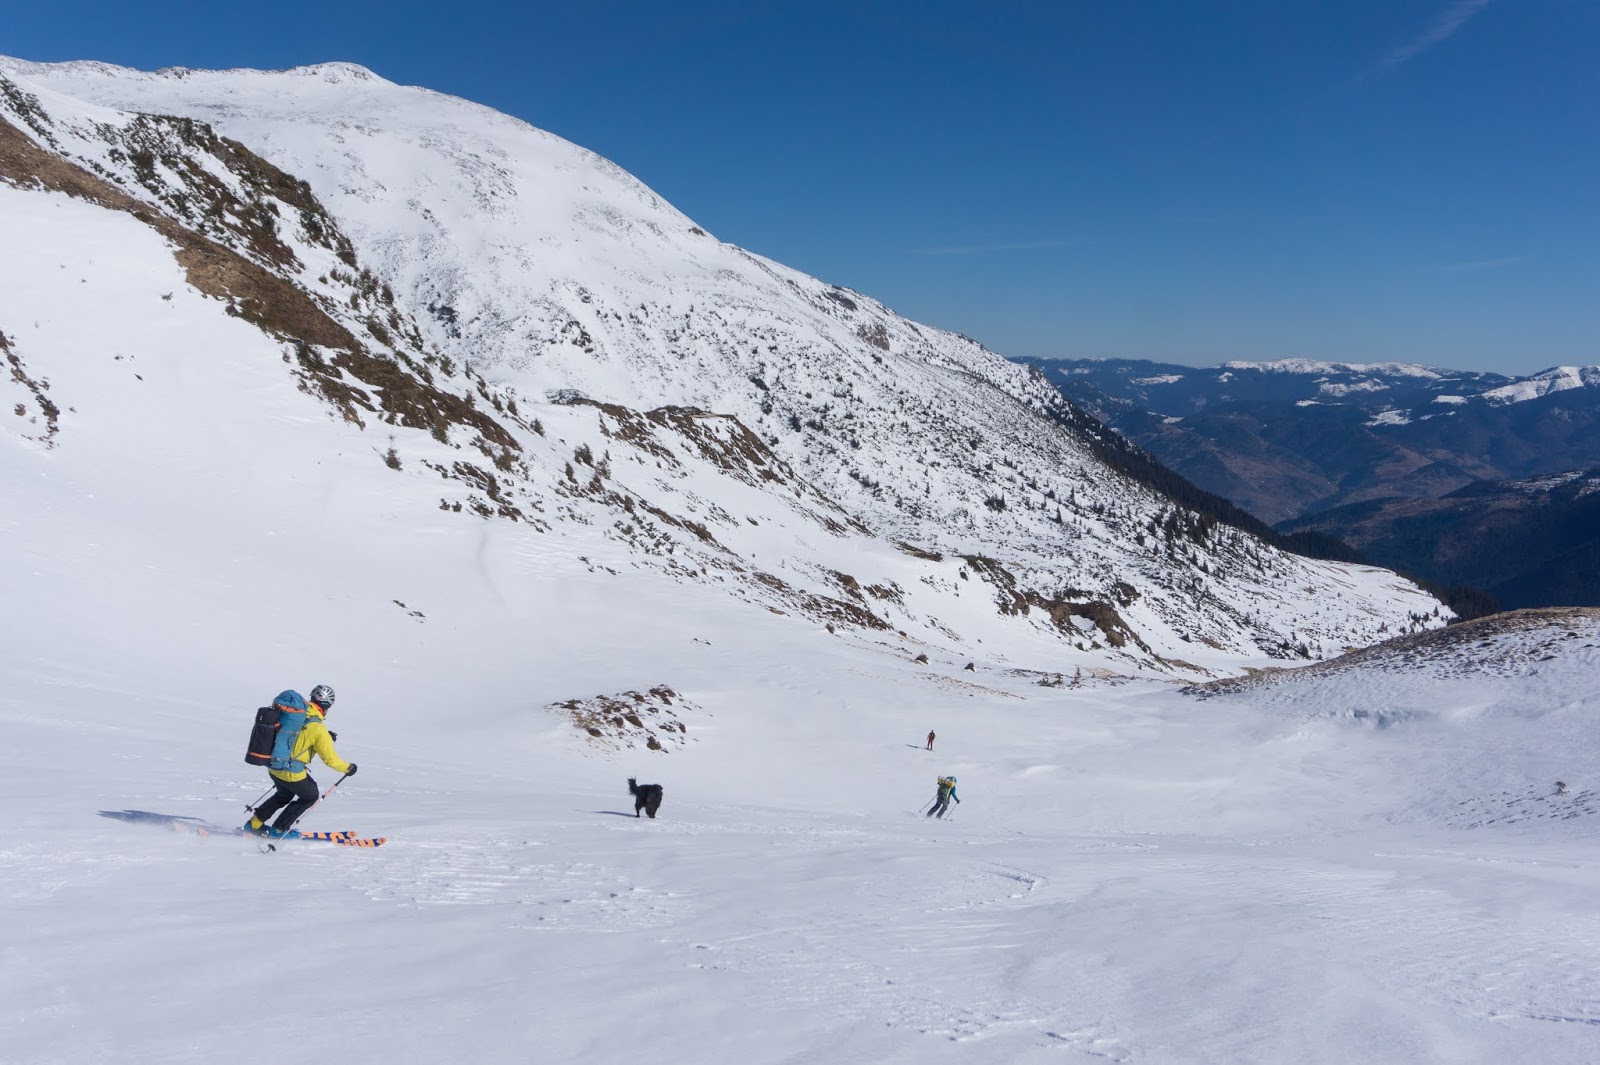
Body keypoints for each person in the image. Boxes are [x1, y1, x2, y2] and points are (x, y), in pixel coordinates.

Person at [245, 685, 356, 839]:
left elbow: (296, 736)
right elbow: (331, 760)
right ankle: (279, 830)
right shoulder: (318, 728)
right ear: (327, 707)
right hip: (291, 773)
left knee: (284, 794)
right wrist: (349, 768)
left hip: (274, 766)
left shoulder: (295, 716)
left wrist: (325, 736)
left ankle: (254, 824)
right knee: (310, 796)